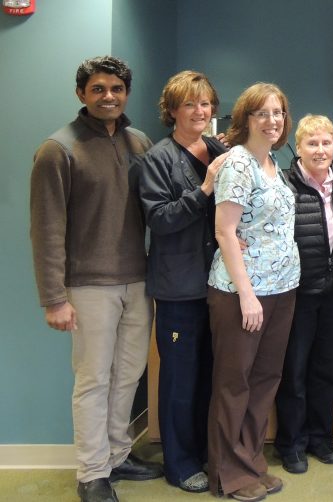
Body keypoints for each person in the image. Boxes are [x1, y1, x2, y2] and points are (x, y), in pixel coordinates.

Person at [29, 56, 163, 502]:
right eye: (99, 89)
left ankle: (118, 455)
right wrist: (54, 298)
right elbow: (46, 228)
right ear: (81, 94)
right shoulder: (59, 149)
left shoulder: (139, 141)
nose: (109, 97)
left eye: (117, 89)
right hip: (87, 287)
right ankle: (91, 472)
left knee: (128, 375)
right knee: (93, 379)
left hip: (137, 281)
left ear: (127, 92)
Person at [206, 82, 300, 502]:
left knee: (265, 381)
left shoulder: (273, 162)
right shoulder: (239, 164)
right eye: (262, 113)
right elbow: (225, 230)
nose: (272, 120)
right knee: (234, 383)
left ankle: (250, 463)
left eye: (278, 112)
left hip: (282, 288)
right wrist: (246, 295)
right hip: (242, 293)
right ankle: (228, 474)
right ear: (245, 119)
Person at [135, 70, 227, 493]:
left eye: (205, 103)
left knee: (210, 375)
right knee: (180, 380)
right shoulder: (156, 159)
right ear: (172, 110)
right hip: (178, 287)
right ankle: (179, 462)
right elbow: (160, 219)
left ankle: (207, 453)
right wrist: (205, 189)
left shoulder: (218, 148)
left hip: (217, 284)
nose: (200, 111)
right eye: (189, 104)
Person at [274, 115, 333, 474]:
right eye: (312, 144)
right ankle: (292, 444)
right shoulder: (285, 185)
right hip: (298, 295)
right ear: (299, 148)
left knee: (326, 370)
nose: (320, 150)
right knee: (295, 371)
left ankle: (322, 438)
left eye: (326, 143)